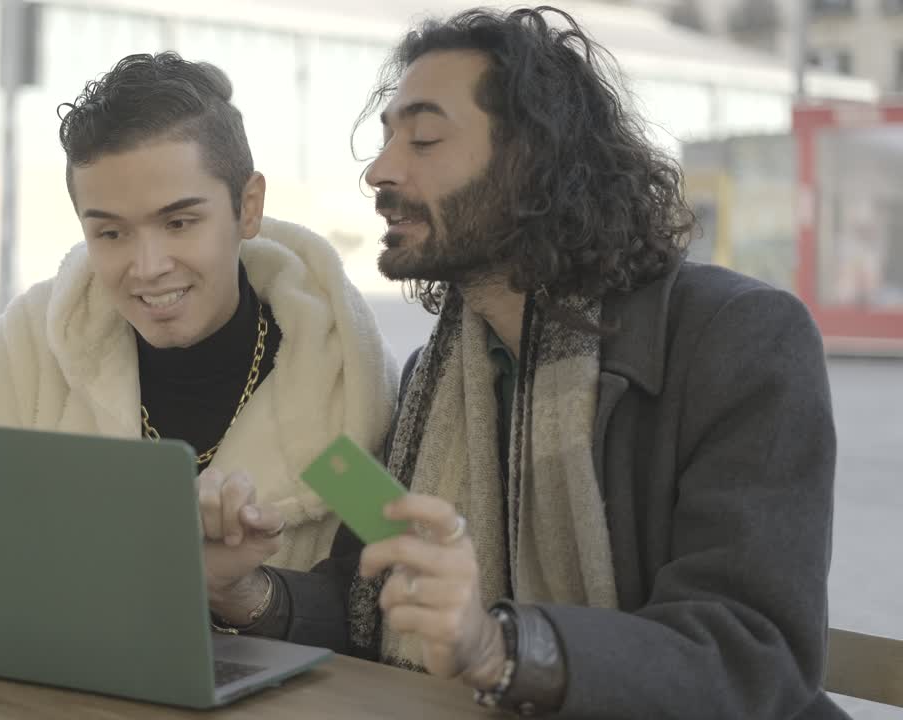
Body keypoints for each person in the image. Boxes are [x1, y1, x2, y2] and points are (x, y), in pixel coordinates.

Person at [201, 8, 844, 718]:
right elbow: (368, 598)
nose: (380, 171)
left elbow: (753, 653)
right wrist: (243, 591)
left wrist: (498, 646)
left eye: (424, 139)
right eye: (386, 140)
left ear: (533, 161)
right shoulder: (437, 376)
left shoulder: (740, 339)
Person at [0, 52, 399, 573]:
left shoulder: (340, 386)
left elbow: (383, 602)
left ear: (247, 207)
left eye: (179, 223)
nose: (147, 267)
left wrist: (250, 597)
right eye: (111, 233)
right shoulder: (40, 341)